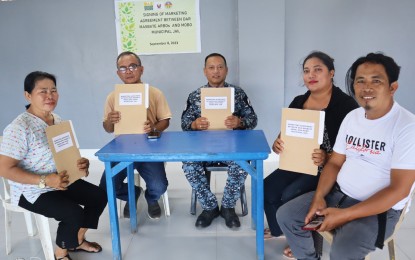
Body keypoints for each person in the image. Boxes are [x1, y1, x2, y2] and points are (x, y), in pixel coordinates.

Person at [277, 52, 415, 260]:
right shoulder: (353, 117)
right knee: (286, 215)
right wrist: (319, 197)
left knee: (343, 251)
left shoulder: (407, 127)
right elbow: (334, 163)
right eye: (360, 81)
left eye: (376, 81)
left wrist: (345, 215)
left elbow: (399, 190)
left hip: (378, 210)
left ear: (392, 87)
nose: (366, 88)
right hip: (338, 194)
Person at [0, 71, 107, 260]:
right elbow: (4, 168)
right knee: (73, 213)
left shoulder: (56, 119)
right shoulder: (19, 128)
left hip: (60, 179)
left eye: (54, 90)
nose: (50, 96)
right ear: (28, 95)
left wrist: (80, 163)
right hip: (32, 190)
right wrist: (44, 180)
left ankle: (77, 240)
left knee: (98, 196)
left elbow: (64, 152)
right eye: (43, 91)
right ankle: (60, 254)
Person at [263, 51, 359, 258]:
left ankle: (308, 244)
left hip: (328, 169)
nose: (311, 75)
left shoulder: (346, 106)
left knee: (290, 195)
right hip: (297, 163)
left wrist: (327, 157)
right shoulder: (299, 101)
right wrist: (278, 143)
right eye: (306, 71)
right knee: (267, 188)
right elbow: (284, 134)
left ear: (331, 73)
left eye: (318, 69)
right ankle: (282, 231)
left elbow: (353, 150)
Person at [181, 53, 258, 228]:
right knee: (189, 163)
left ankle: (228, 207)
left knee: (242, 161)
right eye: (211, 67)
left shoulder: (237, 94)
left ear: (226, 70)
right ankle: (209, 207)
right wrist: (194, 124)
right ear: (205, 71)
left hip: (231, 147)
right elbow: (184, 124)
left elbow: (253, 120)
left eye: (220, 67)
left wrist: (240, 122)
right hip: (203, 147)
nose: (216, 71)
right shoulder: (195, 96)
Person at [99, 51, 171, 219]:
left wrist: (154, 127)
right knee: (106, 186)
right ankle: (132, 194)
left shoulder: (155, 93)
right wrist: (110, 120)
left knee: (159, 186)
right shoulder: (112, 97)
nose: (128, 71)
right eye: (123, 68)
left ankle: (151, 198)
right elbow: (108, 128)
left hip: (149, 147)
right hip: (121, 148)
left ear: (141, 69)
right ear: (118, 73)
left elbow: (165, 121)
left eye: (132, 66)